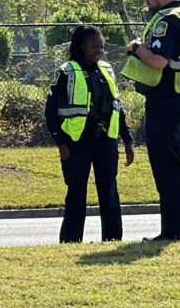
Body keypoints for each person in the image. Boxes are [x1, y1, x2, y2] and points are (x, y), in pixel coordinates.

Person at [121, 0, 180, 241]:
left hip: (167, 102)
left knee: (167, 169)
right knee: (175, 166)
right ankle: (175, 229)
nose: (146, 2)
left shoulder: (166, 20)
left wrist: (136, 47)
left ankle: (172, 232)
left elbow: (158, 61)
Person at [45, 24, 135, 243]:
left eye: (102, 47)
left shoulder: (106, 70)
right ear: (82, 46)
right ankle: (70, 241)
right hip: (76, 144)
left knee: (109, 192)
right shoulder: (66, 72)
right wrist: (61, 144)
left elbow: (117, 107)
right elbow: (50, 112)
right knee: (76, 193)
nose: (100, 51)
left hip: (106, 142)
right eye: (95, 47)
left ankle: (113, 239)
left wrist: (128, 140)